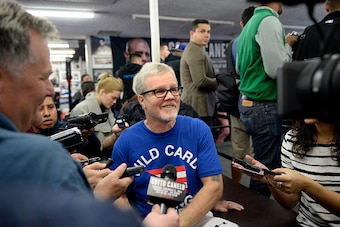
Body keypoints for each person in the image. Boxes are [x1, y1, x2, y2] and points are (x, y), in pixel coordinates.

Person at [0, 1, 179, 226]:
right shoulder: (41, 158)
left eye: (173, 89)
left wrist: (75, 181)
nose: (49, 90)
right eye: (42, 77)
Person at [111, 62, 242, 227]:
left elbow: (214, 184)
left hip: (193, 219)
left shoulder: (197, 129)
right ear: (142, 100)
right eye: (159, 91)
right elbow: (117, 195)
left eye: (173, 89)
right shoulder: (126, 141)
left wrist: (178, 225)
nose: (170, 96)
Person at [236, 2, 298, 196]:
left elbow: (239, 67)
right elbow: (277, 69)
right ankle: (258, 214)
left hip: (248, 103)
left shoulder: (250, 23)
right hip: (263, 105)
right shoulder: (269, 20)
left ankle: (256, 211)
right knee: (266, 169)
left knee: (261, 163)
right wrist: (288, 45)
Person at [239, 118, 340, 226]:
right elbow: (290, 202)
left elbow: (306, 185)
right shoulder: (293, 139)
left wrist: (308, 186)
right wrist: (270, 179)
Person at [227, 6, 256, 183]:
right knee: (259, 152)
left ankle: (236, 188)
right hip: (256, 101)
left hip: (236, 100)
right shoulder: (255, 40)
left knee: (238, 150)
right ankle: (258, 193)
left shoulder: (233, 43)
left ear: (241, 23)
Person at [70, 72, 123, 156]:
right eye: (113, 98)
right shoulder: (81, 110)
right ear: (102, 92)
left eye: (116, 99)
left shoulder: (106, 110)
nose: (115, 102)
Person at [180, 19, 218, 127]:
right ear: (192, 33)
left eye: (208, 32)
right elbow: (200, 81)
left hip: (198, 106)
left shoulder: (197, 49)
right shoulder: (194, 50)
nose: (206, 35)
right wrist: (219, 82)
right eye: (202, 31)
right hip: (198, 107)